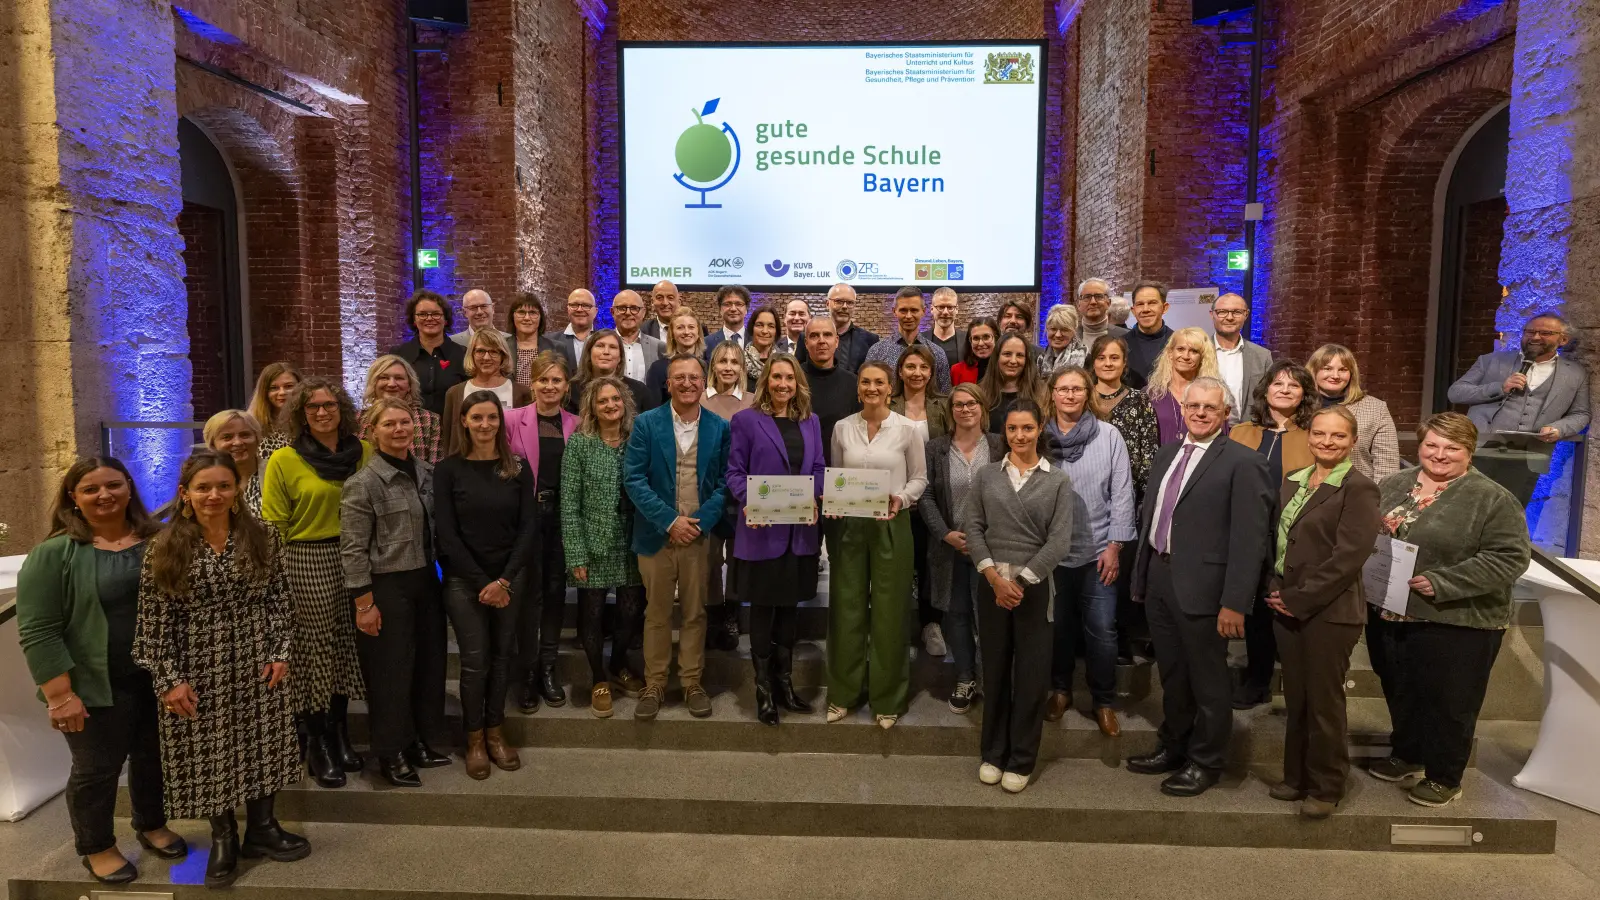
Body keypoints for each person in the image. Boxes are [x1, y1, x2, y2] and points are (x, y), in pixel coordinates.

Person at [136, 451, 307, 886]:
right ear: (186, 494)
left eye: (224, 486)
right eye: (204, 487)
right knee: (211, 753)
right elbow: (153, 623)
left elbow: (278, 600)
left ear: (237, 492)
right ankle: (224, 835)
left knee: (263, 744)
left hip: (257, 658)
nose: (214, 495)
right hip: (196, 664)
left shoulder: (263, 535)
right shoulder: (165, 545)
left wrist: (281, 650)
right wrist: (169, 680)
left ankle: (263, 829)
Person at [16, 458, 178, 884]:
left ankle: (151, 824)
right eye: (90, 489)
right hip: (92, 682)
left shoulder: (158, 540)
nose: (103, 495)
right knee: (96, 769)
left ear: (129, 488)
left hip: (156, 676)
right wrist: (60, 695)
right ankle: (97, 846)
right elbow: (38, 630)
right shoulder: (54, 554)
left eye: (113, 485)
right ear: (74, 497)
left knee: (153, 758)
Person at [1365, 413, 1532, 808]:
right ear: (1418, 446)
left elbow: (1510, 558)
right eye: (1431, 445)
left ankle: (1444, 775)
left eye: (1452, 448)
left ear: (1469, 452)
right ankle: (1408, 752)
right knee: (1401, 688)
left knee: (1450, 700)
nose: (1439, 455)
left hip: (1457, 620)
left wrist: (1445, 582)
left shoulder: (1492, 498)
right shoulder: (1393, 485)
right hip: (1391, 611)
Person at [1126, 377, 1272, 797]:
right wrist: (1143, 576)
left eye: (1211, 407)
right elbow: (1153, 517)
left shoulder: (1244, 463)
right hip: (1160, 578)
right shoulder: (1168, 453)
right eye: (1194, 406)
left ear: (1226, 413)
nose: (1201, 413)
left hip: (1208, 589)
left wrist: (1235, 603)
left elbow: (1250, 540)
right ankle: (1174, 745)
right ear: (1183, 409)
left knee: (1208, 681)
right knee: (1172, 675)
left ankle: (1206, 761)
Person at [1264, 405, 1382, 818]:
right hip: (1285, 605)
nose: (1327, 442)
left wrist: (1297, 598)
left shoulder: (1359, 488)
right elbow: (1278, 543)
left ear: (1352, 441)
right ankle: (1295, 777)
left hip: (1329, 613)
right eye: (1319, 434)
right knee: (1296, 698)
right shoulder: (1293, 480)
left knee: (1324, 703)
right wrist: (1275, 589)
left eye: (1337, 436)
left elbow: (1348, 558)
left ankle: (1327, 785)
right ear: (1308, 436)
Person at [260, 377, 370, 789]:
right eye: (313, 407)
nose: (322, 413)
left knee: (345, 648)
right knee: (313, 653)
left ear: (341, 410)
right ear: (301, 415)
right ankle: (317, 741)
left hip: (357, 558)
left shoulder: (365, 453)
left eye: (329, 405)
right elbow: (274, 523)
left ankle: (341, 732)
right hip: (306, 558)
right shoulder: (284, 460)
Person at [340, 399, 450, 787]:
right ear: (372, 432)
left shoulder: (425, 472)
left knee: (426, 667)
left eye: (405, 422)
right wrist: (364, 604)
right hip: (387, 586)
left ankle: (419, 739)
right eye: (389, 424)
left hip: (425, 580)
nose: (400, 429)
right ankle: (390, 753)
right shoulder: (363, 484)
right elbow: (352, 549)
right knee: (391, 673)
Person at [966, 400, 1075, 792]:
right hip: (992, 583)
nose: (1020, 436)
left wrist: (1022, 582)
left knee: (1030, 675)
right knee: (994, 671)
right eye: (1012, 429)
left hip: (1033, 585)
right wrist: (995, 578)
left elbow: (1060, 541)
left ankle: (1022, 758)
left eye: (1027, 428)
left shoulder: (1057, 480)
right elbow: (973, 528)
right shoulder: (986, 476)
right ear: (1005, 432)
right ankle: (993, 753)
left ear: (1040, 428)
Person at [434, 390, 538, 779]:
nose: (484, 425)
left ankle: (496, 732)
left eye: (491, 418)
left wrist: (504, 579)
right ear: (463, 421)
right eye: (476, 418)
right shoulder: (448, 471)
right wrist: (484, 583)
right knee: (475, 662)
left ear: (500, 422)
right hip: (465, 582)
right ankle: (474, 738)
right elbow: (447, 535)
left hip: (510, 578)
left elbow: (528, 529)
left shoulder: (517, 468)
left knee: (502, 658)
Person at [624, 354, 732, 721]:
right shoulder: (645, 424)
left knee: (694, 612)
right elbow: (634, 479)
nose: (687, 384)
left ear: (704, 383)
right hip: (657, 533)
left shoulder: (720, 426)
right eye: (679, 378)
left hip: (700, 537)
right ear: (667, 384)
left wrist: (700, 521)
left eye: (694, 378)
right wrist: (670, 521)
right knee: (655, 613)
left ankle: (691, 681)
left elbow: (724, 483)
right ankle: (653, 683)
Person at [826, 360, 928, 728]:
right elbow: (836, 475)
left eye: (879, 382)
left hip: (891, 524)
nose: (872, 388)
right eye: (866, 382)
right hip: (851, 527)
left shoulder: (907, 429)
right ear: (858, 389)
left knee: (890, 612)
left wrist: (902, 498)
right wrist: (835, 505)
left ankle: (888, 698)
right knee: (846, 608)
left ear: (890, 388)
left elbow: (919, 477)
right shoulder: (841, 429)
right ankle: (843, 694)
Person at [726, 354, 825, 725]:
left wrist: (811, 497)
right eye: (776, 377)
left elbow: (818, 468)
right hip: (762, 531)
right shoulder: (746, 421)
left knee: (789, 610)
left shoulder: (811, 422)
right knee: (765, 610)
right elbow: (735, 472)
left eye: (790, 378)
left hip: (799, 532)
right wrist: (750, 502)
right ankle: (763, 689)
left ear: (798, 382)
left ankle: (785, 686)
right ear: (765, 380)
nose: (783, 384)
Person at [1044, 367, 1135, 737]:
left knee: (1101, 630)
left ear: (1087, 393)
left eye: (1077, 389)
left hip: (1098, 549)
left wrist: (1115, 545)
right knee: (1058, 629)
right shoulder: (1039, 436)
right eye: (1063, 389)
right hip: (1051, 553)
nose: (1069, 395)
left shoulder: (1109, 435)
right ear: (1051, 393)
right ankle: (1060, 691)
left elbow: (1123, 491)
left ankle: (1103, 701)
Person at [1228, 360, 1317, 709]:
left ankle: (1292, 672)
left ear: (1304, 395)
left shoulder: (1313, 434)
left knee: (1283, 600)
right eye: (1278, 384)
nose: (1284, 390)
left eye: (1293, 386)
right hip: (1247, 528)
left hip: (1294, 530)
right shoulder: (1241, 432)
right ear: (1265, 390)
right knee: (1257, 606)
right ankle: (1257, 678)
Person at [562, 377, 648, 717]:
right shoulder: (580, 444)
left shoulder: (636, 441)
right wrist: (575, 552)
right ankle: (598, 676)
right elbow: (569, 503)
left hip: (632, 541)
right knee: (592, 614)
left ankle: (617, 664)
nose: (610, 405)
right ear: (592, 409)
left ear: (625, 403)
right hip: (593, 543)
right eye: (602, 401)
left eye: (615, 399)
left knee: (630, 611)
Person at [1446, 311, 1591, 505]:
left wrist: (1559, 429)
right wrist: (1499, 387)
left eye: (1545, 333)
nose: (1535, 337)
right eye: (1529, 332)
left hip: (1529, 453)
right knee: (1466, 504)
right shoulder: (1491, 361)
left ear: (1563, 339)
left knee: (1511, 511)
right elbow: (1456, 393)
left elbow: (1581, 413)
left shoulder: (1575, 373)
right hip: (1480, 448)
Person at [921, 384, 1005, 714]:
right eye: (958, 405)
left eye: (971, 403)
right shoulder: (936, 449)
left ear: (982, 407)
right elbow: (926, 496)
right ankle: (966, 675)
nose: (965, 409)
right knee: (955, 615)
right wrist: (945, 534)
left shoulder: (1000, 444)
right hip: (950, 548)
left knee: (989, 615)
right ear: (950, 410)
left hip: (993, 548)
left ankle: (991, 677)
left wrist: (989, 535)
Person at [504, 352, 580, 713]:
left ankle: (548, 668)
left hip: (561, 519)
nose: (550, 387)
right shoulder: (510, 420)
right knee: (526, 598)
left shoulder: (576, 424)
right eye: (543, 380)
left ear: (566, 387)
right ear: (531, 383)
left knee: (553, 595)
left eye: (557, 381)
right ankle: (527, 671)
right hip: (525, 520)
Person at [891, 344, 953, 657]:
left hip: (935, 497)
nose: (917, 373)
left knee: (931, 563)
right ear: (900, 371)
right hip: (895, 496)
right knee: (900, 563)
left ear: (932, 372)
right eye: (911, 367)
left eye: (923, 368)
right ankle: (896, 625)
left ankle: (932, 624)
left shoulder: (943, 405)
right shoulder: (888, 403)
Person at [702, 339, 753, 652]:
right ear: (713, 366)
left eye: (735, 362)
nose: (729, 368)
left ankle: (733, 614)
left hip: (742, 493)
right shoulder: (700, 400)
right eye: (723, 362)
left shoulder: (753, 400)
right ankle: (713, 615)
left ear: (742, 368)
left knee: (737, 557)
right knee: (708, 558)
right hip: (707, 492)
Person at [1306, 344, 1400, 481]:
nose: (1335, 375)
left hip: (1356, 492)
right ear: (1313, 371)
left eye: (1343, 370)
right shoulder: (1299, 404)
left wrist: (1376, 499)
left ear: (1351, 374)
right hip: (1304, 490)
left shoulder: (1376, 408)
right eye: (1327, 368)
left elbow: (1387, 465)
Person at [441, 329, 533, 454]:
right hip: (464, 467)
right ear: (472, 354)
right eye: (480, 351)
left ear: (503, 355)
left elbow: (528, 439)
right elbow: (448, 440)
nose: (486, 357)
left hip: (508, 465)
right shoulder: (454, 393)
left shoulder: (522, 392)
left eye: (494, 351)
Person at [390, 290, 467, 417]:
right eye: (422, 314)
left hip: (452, 428)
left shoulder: (462, 354)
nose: (429, 318)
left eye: (436, 314)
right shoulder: (398, 355)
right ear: (414, 320)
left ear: (446, 319)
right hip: (411, 428)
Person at [865, 286, 952, 392]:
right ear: (894, 311)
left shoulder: (937, 353)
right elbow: (868, 390)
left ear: (923, 311)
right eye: (903, 310)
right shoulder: (878, 351)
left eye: (914, 310)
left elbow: (944, 395)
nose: (909, 316)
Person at [361, 354, 444, 463]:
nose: (391, 384)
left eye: (399, 378)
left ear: (409, 385)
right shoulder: (357, 420)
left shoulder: (430, 420)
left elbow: (436, 468)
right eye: (384, 378)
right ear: (373, 383)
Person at [1147, 326, 1222, 445]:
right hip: (1160, 461)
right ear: (1170, 353)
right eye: (1180, 349)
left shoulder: (1214, 394)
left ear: (1202, 357)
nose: (1186, 356)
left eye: (1194, 351)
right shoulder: (1150, 394)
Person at [1211, 293, 1272, 418]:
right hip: (1205, 429)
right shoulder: (1198, 351)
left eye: (1237, 312)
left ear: (1246, 314)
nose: (1229, 317)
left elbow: (1269, 397)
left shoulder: (1262, 356)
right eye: (1222, 312)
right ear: (1212, 314)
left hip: (1247, 431)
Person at [570, 328, 655, 415]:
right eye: (600, 346)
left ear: (620, 357)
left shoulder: (639, 390)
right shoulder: (571, 389)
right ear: (589, 353)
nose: (606, 352)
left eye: (612, 347)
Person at [204, 409, 266, 516]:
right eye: (227, 437)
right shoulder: (202, 479)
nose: (237, 442)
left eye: (245, 435)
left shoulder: (278, 472)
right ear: (213, 444)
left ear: (257, 439)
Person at [978, 332, 1041, 434]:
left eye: (1020, 355)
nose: (1013, 361)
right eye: (1007, 354)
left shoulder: (1040, 393)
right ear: (997, 357)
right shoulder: (979, 394)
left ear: (1027, 360)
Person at [451, 289, 518, 376]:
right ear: (464, 312)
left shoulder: (511, 340)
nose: (479, 312)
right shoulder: (452, 343)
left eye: (484, 306)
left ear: (493, 308)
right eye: (473, 308)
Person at [648, 308, 708, 403]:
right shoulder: (657, 369)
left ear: (698, 332)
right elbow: (653, 407)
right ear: (672, 333)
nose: (686, 332)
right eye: (680, 327)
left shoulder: (708, 367)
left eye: (691, 327)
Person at [611, 289, 666, 384]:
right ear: (612, 312)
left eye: (634, 308)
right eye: (622, 308)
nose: (628, 313)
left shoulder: (659, 347)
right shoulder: (599, 344)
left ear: (643, 312)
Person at [507, 292, 560, 388]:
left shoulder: (557, 348)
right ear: (513, 316)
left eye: (533, 313)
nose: (527, 318)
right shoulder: (502, 346)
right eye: (521, 312)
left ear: (540, 318)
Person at [249, 361, 303, 456]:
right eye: (274, 388)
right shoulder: (252, 426)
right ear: (264, 392)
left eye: (288, 386)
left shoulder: (308, 421)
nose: (282, 392)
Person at [1125, 281, 1174, 383]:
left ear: (1165, 308)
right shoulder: (1121, 343)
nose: (1145, 309)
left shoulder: (1178, 342)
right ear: (1133, 311)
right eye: (1140, 304)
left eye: (1152, 303)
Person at [826, 282, 879, 373]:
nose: (845, 307)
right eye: (839, 301)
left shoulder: (871, 340)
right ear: (827, 304)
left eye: (850, 303)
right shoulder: (808, 337)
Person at [552, 288, 598, 373]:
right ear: (568, 309)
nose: (580, 309)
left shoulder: (604, 341)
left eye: (586, 305)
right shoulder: (550, 341)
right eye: (574, 305)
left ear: (595, 311)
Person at [1076, 278, 1128, 347]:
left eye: (1099, 296)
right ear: (1079, 304)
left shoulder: (1126, 336)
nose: (1093, 302)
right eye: (1087, 297)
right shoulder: (1070, 336)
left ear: (1109, 303)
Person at [1039, 303, 1087, 376]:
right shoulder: (1040, 360)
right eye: (1053, 329)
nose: (1058, 335)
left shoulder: (1086, 360)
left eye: (1064, 330)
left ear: (1074, 331)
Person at [704, 284, 751, 358]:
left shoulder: (755, 340)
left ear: (746, 310)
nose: (733, 309)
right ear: (720, 309)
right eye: (727, 304)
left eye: (738, 304)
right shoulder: (706, 343)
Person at [923, 286, 966, 365]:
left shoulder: (967, 340)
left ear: (956, 309)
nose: (945, 312)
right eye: (941, 307)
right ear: (932, 309)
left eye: (950, 307)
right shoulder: (920, 340)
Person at [743, 304, 782, 388]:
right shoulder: (739, 360)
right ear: (752, 328)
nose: (765, 331)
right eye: (759, 325)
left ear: (776, 331)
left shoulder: (784, 361)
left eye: (771, 326)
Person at [950, 318, 998, 386]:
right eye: (976, 338)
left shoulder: (1005, 368)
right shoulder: (957, 370)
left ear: (996, 338)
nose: (981, 343)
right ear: (970, 341)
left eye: (986, 337)